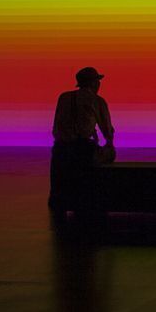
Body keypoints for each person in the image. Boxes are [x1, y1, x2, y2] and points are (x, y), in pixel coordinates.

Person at [48, 66, 115, 219]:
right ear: (94, 83)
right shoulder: (97, 100)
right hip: (83, 151)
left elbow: (56, 126)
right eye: (98, 81)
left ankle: (57, 197)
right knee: (110, 153)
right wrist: (109, 143)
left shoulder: (63, 97)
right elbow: (107, 131)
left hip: (60, 150)